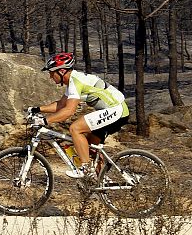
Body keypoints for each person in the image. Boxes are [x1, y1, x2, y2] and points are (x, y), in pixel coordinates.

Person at [27, 52, 130, 182]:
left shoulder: (76, 81)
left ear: (62, 71)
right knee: (90, 146)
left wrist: (45, 120)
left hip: (116, 110)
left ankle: (85, 168)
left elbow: (69, 111)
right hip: (115, 111)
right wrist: (37, 109)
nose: (50, 77)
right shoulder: (73, 82)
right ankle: (101, 181)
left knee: (75, 128)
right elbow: (61, 105)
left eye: (51, 72)